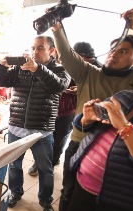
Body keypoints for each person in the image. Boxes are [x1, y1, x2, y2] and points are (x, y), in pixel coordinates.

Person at [49, 18, 133, 211]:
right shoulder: (89, 73)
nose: (114, 54)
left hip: (120, 151)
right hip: (80, 142)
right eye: (113, 49)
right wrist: (57, 27)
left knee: (108, 199)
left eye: (123, 51)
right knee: (69, 190)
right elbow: (67, 54)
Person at [35, 90, 133, 211]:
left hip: (120, 197)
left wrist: (123, 124)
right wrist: (86, 118)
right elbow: (85, 126)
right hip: (86, 181)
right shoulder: (126, 96)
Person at [0, 35, 70, 211]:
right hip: (17, 127)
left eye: (40, 48)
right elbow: (2, 82)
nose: (35, 52)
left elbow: (57, 86)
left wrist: (38, 69)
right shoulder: (23, 67)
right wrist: (1, 66)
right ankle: (16, 192)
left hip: (42, 131)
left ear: (51, 50)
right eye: (33, 48)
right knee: (14, 165)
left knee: (45, 169)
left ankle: (45, 200)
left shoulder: (61, 70)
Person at [28, 41, 102, 176]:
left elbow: (96, 91)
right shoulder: (63, 65)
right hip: (53, 108)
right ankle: (38, 163)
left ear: (82, 56)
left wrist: (78, 90)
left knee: (59, 140)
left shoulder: (97, 70)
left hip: (70, 111)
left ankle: (51, 162)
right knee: (45, 138)